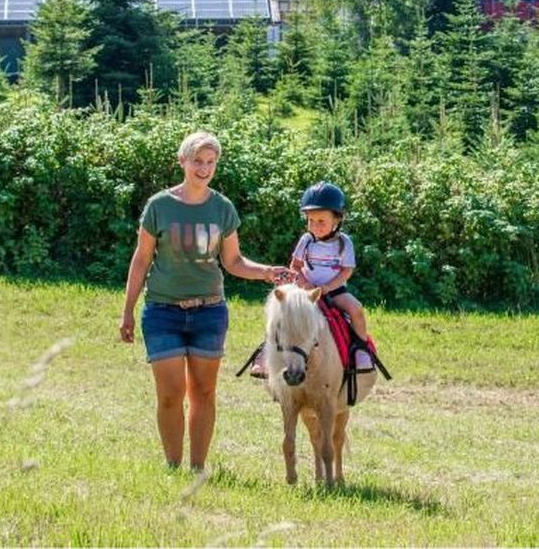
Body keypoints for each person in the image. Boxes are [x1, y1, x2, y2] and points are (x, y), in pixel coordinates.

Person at [119, 131, 293, 473]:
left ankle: (198, 467)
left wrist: (267, 272)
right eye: (197, 160)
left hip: (209, 312)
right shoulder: (159, 206)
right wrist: (127, 311)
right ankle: (172, 466)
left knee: (203, 392)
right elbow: (141, 260)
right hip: (162, 311)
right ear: (182, 161)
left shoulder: (222, 208)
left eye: (211, 162)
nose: (204, 168)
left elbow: (233, 261)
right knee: (170, 395)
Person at [250, 181, 369, 378]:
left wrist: (327, 288)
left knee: (356, 309)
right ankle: (265, 354)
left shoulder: (343, 242)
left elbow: (346, 271)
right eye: (310, 221)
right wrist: (305, 283)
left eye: (321, 221)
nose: (315, 226)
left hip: (333, 290)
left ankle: (361, 350)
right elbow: (295, 266)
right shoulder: (306, 240)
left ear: (337, 220)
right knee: (279, 311)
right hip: (304, 290)